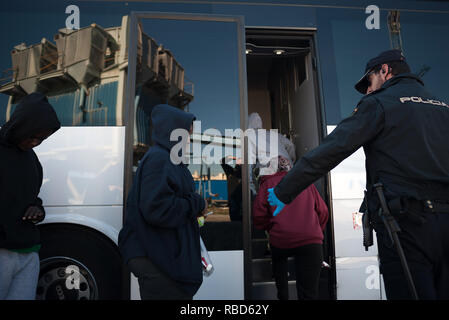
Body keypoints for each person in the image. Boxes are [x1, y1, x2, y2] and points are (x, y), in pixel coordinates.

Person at [268, 49, 449, 300]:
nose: (368, 90)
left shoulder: (380, 103)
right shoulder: (443, 107)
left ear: (384, 70)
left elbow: (331, 150)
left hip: (406, 227)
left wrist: (283, 190)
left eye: (369, 82)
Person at [118, 104, 207, 300]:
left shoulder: (168, 160)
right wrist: (197, 203)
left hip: (161, 254)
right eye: (186, 135)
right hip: (156, 258)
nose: (189, 141)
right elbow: (158, 209)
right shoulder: (159, 159)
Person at [0, 92, 61, 300]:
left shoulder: (32, 160)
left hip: (28, 253)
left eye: (41, 139)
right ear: (21, 125)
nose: (35, 142)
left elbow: (31, 197)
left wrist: (37, 210)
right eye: (32, 135)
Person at [253, 141, 328, 300]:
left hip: (281, 241)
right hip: (310, 241)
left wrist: (271, 227)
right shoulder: (305, 182)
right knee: (309, 293)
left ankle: (283, 293)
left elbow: (258, 216)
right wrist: (315, 230)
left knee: (282, 286)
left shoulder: (267, 184)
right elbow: (323, 211)